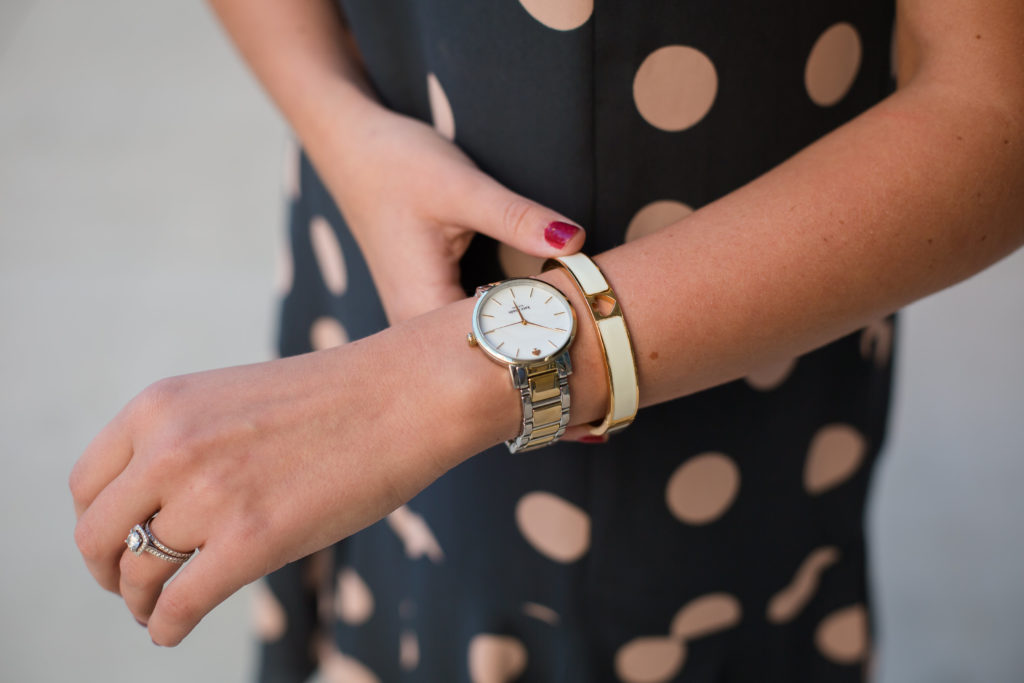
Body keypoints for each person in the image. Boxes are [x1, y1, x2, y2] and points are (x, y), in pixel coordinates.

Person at [70, 1, 1024, 681]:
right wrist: (340, 124)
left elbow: (996, 109)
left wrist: (432, 383)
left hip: (755, 323)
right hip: (375, 234)